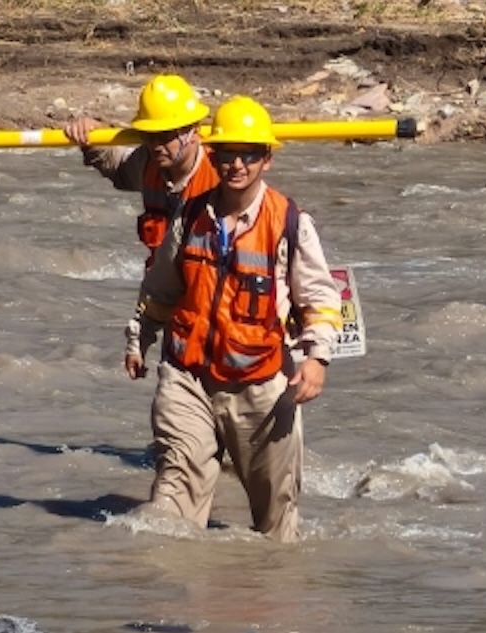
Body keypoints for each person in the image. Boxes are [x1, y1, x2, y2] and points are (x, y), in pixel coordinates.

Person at [122, 95, 343, 543]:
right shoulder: (190, 214)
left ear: (267, 159)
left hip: (261, 386)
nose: (236, 164)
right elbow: (162, 288)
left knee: (277, 528)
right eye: (227, 153)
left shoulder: (290, 222)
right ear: (214, 154)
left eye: (249, 154)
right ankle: (163, 599)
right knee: (170, 510)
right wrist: (138, 337)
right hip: (189, 379)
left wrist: (317, 359)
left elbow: (320, 296)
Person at [63, 74, 221, 268]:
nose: (156, 145)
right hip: (163, 291)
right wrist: (91, 135)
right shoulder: (148, 161)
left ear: (192, 131)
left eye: (164, 136)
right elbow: (116, 165)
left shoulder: (222, 172)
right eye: (148, 135)